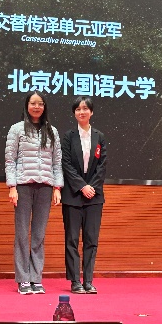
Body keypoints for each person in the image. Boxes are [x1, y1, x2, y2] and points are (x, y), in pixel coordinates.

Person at [5, 91, 63, 295]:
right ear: (27, 105)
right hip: (23, 186)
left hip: (45, 187)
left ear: (44, 107)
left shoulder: (52, 131)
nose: (37, 107)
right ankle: (23, 279)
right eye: (33, 103)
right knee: (22, 234)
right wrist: (12, 187)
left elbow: (57, 162)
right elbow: (10, 160)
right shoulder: (16, 129)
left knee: (39, 235)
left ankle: (36, 278)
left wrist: (57, 187)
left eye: (40, 104)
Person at [60, 96, 107, 294]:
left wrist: (91, 187)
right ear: (74, 113)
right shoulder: (68, 136)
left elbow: (102, 165)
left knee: (91, 239)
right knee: (71, 239)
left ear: (91, 112)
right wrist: (81, 186)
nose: (82, 112)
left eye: (85, 108)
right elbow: (66, 164)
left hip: (94, 196)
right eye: (78, 109)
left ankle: (88, 281)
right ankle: (75, 281)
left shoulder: (99, 136)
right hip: (73, 195)